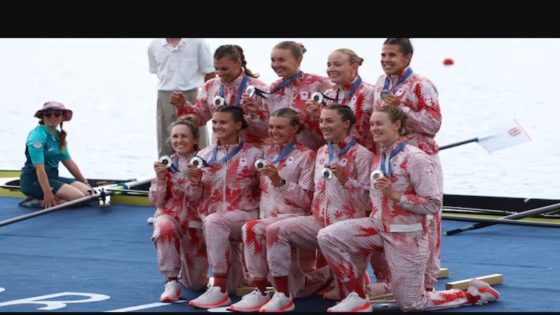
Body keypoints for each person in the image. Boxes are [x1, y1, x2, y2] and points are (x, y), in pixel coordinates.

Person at [317, 106, 500, 312]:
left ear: (396, 125)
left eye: (379, 124)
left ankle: (471, 295)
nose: (374, 129)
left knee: (412, 305)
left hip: (406, 236)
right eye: (371, 124)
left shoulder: (416, 158)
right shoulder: (380, 156)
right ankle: (357, 297)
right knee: (328, 237)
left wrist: (396, 195)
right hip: (378, 227)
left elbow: (433, 203)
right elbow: (371, 198)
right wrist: (346, 181)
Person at [258, 105, 374, 312]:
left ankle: (357, 290)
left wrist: (346, 180)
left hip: (346, 226)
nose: (323, 126)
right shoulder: (321, 152)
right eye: (321, 121)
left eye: (329, 121)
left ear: (346, 124)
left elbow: (368, 202)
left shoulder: (362, 155)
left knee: (344, 289)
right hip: (318, 221)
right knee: (275, 230)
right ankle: (282, 295)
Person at [370, 38, 443, 295]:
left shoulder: (421, 85)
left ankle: (427, 281)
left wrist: (399, 109)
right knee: (389, 213)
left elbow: (433, 124)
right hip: (390, 158)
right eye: (383, 55)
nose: (386, 60)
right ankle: (395, 276)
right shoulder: (380, 83)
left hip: (421, 159)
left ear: (407, 58)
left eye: (392, 55)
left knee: (428, 218)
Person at [229, 108, 316, 312]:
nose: (273, 131)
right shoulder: (266, 152)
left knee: (250, 228)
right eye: (270, 127)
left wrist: (279, 180)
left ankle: (273, 294)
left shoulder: (307, 156)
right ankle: (263, 290)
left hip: (293, 217)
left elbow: (306, 200)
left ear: (295, 128)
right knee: (298, 287)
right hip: (267, 219)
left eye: (279, 127)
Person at [186, 106, 263, 309]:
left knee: (214, 221)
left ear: (238, 125)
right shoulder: (204, 155)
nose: (218, 126)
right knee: (205, 284)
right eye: (215, 122)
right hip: (213, 222)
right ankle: (226, 284)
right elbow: (194, 198)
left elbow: (265, 190)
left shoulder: (254, 154)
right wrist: (194, 183)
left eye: (223, 122)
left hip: (245, 215)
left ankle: (218, 289)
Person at [148, 116, 208, 302]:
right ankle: (171, 282)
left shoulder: (205, 162)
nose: (179, 141)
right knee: (163, 228)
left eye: (184, 136)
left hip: (195, 222)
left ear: (195, 139)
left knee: (196, 285)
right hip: (170, 215)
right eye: (175, 137)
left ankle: (186, 271)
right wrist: (160, 179)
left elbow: (197, 199)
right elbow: (155, 201)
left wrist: (195, 181)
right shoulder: (166, 163)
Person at [169, 44, 269, 147]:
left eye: (224, 69)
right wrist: (183, 106)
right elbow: (200, 119)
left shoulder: (259, 89)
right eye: (216, 69)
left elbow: (268, 130)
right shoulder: (210, 86)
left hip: (252, 153)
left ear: (238, 63)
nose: (219, 73)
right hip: (220, 151)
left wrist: (256, 113)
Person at [245, 40, 333, 151]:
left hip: (316, 154)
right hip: (282, 158)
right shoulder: (272, 89)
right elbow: (265, 130)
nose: (276, 65)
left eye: (281, 60)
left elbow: (338, 119)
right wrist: (256, 113)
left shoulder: (320, 84)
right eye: (273, 60)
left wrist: (319, 115)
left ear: (298, 60)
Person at [148, 38, 215, 157]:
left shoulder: (197, 42)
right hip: (165, 94)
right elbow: (156, 70)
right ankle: (166, 171)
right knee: (166, 139)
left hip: (192, 93)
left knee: (198, 138)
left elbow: (210, 72)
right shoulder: (155, 44)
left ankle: (202, 168)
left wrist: (205, 97)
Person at [19, 101, 90, 209]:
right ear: (42, 117)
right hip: (33, 180)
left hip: (52, 177)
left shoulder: (59, 136)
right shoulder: (37, 137)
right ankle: (37, 201)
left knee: (89, 193)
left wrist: (85, 182)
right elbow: (39, 168)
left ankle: (55, 197)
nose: (53, 117)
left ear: (62, 117)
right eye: (48, 114)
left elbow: (69, 163)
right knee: (79, 198)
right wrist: (47, 193)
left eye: (57, 114)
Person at [307, 48, 375, 152]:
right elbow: (323, 135)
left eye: (337, 65)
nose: (331, 69)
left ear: (354, 67)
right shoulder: (328, 95)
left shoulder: (370, 93)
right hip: (334, 156)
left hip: (366, 157)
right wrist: (317, 117)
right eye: (329, 65)